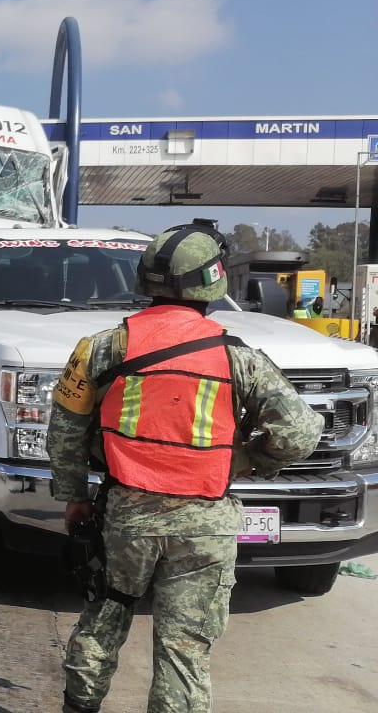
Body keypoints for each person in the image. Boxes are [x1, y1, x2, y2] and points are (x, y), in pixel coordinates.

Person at [48, 225, 322, 713]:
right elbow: (300, 434)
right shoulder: (238, 357)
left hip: (125, 517)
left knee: (103, 618)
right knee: (184, 648)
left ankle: (78, 706)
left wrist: (73, 496)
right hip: (205, 524)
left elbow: (66, 431)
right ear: (212, 282)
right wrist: (252, 459)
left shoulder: (100, 348)